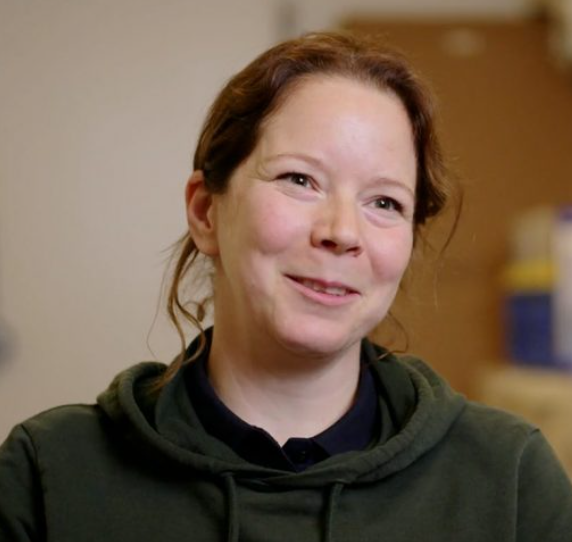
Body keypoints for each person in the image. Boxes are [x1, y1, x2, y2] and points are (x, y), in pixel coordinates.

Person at [0, 31, 571, 542]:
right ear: (205, 211)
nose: (342, 232)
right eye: (300, 179)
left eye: (384, 202)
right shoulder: (49, 475)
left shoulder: (511, 480)